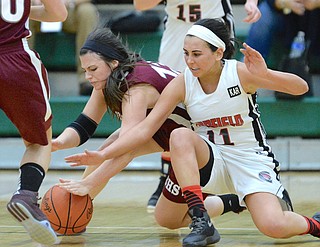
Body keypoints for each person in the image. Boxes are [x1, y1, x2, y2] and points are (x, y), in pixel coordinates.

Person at [64, 18, 320, 247]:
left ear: (218, 52)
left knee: (273, 226)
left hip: (249, 159)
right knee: (168, 206)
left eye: (197, 54)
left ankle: (313, 223)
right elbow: (144, 129)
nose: (190, 61)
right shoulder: (182, 83)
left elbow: (301, 87)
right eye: (186, 54)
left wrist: (266, 75)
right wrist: (103, 154)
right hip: (210, 158)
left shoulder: (239, 73)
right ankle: (202, 221)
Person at [52, 26, 247, 234]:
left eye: (93, 69)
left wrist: (89, 183)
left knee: (165, 214)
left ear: (113, 63)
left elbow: (128, 148)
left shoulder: (136, 89)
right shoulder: (111, 78)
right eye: (85, 71)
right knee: (114, 143)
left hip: (203, 143)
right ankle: (77, 207)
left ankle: (238, 200)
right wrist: (58, 143)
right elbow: (84, 125)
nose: (88, 76)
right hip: (173, 135)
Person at [133, 0, 262, 211]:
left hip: (213, 27)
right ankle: (168, 177)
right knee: (169, 107)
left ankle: (234, 169)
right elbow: (140, 5)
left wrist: (251, 3)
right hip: (178, 28)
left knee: (219, 101)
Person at [1, 0, 68, 245]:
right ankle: (26, 195)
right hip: (15, 58)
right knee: (38, 142)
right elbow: (57, 13)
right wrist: (21, 14)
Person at [29, 0, 98, 96]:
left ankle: (87, 78)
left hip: (69, 9)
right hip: (38, 10)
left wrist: (69, 2)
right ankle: (23, 77)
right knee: (24, 11)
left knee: (87, 11)